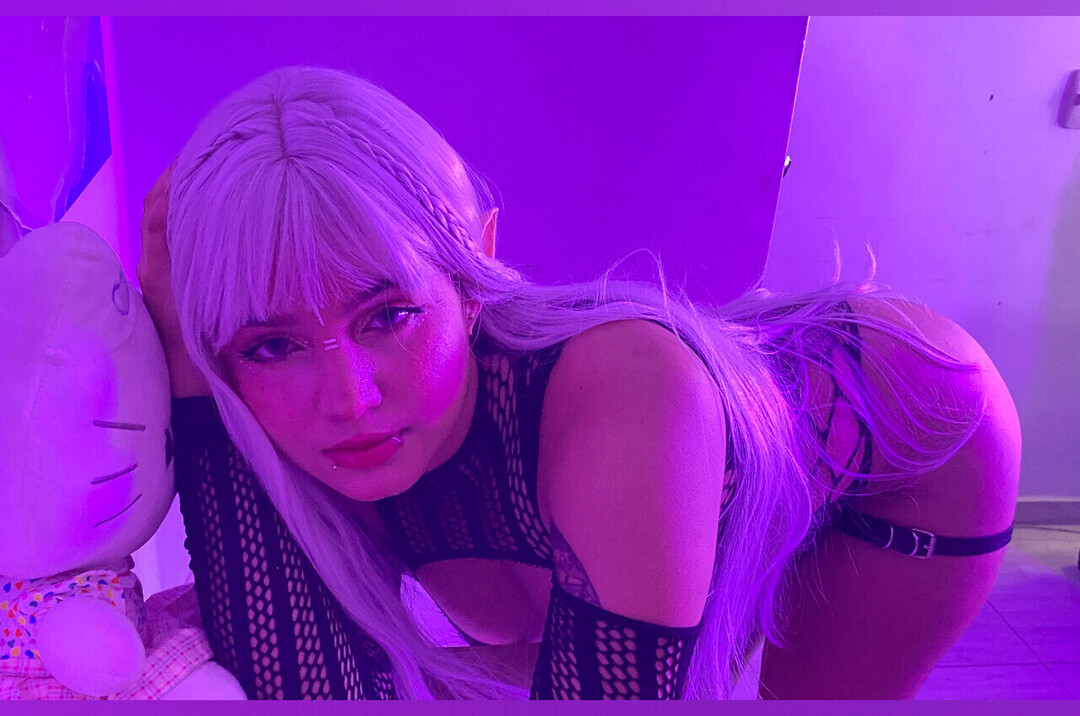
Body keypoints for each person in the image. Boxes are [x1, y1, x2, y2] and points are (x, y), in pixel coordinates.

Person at [136, 66, 1021, 700]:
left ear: (473, 273)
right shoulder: (295, 418)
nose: (350, 399)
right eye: (272, 344)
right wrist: (184, 358)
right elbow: (302, 689)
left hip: (908, 426)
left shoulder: (624, 404)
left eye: (389, 315)